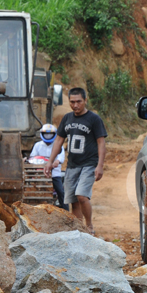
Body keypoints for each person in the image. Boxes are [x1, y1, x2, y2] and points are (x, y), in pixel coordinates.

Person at [44, 88, 107, 234]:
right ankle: (79, 230)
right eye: (72, 102)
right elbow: (59, 140)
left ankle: (89, 225)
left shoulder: (94, 119)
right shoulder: (67, 118)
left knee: (82, 195)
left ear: (85, 100)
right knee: (73, 200)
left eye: (79, 101)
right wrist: (50, 161)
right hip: (72, 165)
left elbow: (101, 143)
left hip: (89, 164)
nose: (75, 105)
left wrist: (100, 165)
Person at [30, 123, 68, 211]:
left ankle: (66, 210)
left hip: (54, 174)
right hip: (39, 174)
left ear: (54, 134)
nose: (48, 136)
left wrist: (57, 161)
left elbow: (61, 157)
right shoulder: (38, 145)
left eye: (50, 134)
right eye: (46, 134)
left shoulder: (58, 145)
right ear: (42, 134)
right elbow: (32, 157)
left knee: (61, 192)